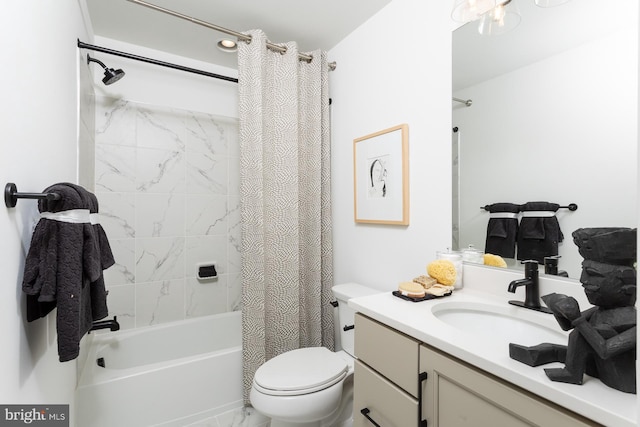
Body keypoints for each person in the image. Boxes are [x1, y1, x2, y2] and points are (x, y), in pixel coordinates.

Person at [510, 261, 636, 393]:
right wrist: (558, 307)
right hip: (598, 370)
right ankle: (545, 353)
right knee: (574, 337)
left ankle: (571, 373)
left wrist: (577, 318)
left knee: (596, 332)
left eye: (593, 275)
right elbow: (568, 325)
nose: (583, 280)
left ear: (626, 288)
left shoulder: (634, 322)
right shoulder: (600, 311)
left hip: (620, 383)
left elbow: (605, 350)